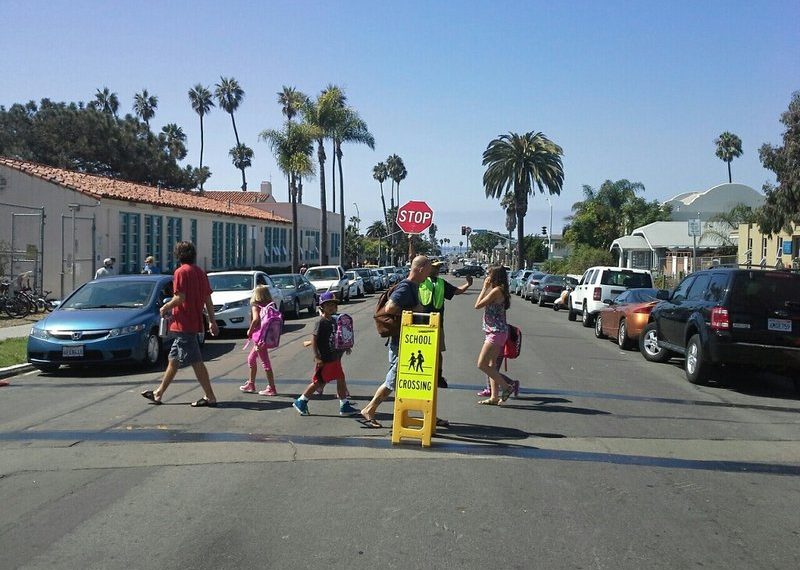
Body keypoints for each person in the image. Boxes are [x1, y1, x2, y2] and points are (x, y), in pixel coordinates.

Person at [141, 241, 218, 407]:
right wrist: (212, 321)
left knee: (196, 361)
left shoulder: (181, 272)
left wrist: (165, 306)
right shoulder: (200, 272)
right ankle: (158, 393)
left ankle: (210, 396)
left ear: (177, 255)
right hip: (194, 322)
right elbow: (207, 298)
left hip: (184, 324)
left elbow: (180, 298)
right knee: (173, 359)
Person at [359, 255, 432, 428]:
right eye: (428, 269)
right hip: (402, 342)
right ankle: (370, 408)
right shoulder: (406, 287)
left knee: (405, 380)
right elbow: (390, 307)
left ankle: (427, 415)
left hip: (407, 341)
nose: (430, 273)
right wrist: (413, 310)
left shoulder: (413, 286)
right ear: (421, 269)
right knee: (395, 378)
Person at [293, 292, 359, 416]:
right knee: (319, 381)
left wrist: (345, 347)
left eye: (333, 305)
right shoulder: (321, 322)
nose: (331, 307)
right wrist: (317, 356)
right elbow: (314, 339)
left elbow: (336, 338)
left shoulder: (334, 321)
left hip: (334, 356)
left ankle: (344, 405)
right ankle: (301, 400)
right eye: (328, 305)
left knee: (339, 378)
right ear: (322, 307)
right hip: (326, 358)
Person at [418, 260, 472, 387]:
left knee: (438, 351)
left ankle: (438, 376)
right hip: (420, 322)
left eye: (437, 268)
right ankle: (421, 375)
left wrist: (468, 285)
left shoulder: (442, 283)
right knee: (420, 350)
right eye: (433, 267)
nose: (436, 270)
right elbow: (413, 261)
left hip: (437, 323)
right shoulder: (420, 281)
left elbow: (456, 291)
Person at [474, 265, 519, 405]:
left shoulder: (496, 291)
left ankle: (507, 387)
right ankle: (494, 397)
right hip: (498, 332)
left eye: (489, 274)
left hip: (495, 333)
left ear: (495, 277)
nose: (487, 276)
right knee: (492, 366)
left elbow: (477, 305)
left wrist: (484, 288)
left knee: (481, 364)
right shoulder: (502, 290)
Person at [239, 285, 278, 396]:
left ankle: (271, 388)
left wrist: (250, 331)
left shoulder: (256, 306)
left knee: (265, 363)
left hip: (260, 338)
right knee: (251, 358)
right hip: (266, 337)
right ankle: (251, 383)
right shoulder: (270, 305)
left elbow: (256, 319)